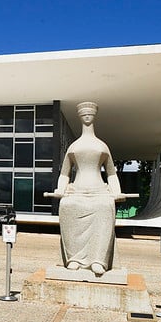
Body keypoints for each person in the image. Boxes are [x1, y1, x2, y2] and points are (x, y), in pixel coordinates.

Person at [47, 102, 131, 275]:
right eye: (83, 114)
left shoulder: (102, 146)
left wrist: (116, 191)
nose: (87, 116)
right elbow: (64, 174)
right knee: (67, 207)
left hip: (99, 191)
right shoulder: (73, 147)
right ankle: (74, 258)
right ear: (79, 116)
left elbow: (112, 174)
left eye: (90, 113)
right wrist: (60, 189)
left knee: (105, 208)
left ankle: (98, 260)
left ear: (94, 116)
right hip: (76, 191)